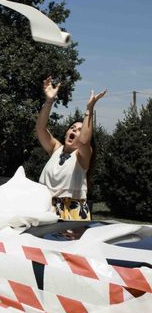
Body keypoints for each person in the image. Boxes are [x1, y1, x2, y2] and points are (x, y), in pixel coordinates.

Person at [36, 76, 106, 220]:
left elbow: (84, 142)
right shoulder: (55, 148)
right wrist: (49, 101)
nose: (73, 130)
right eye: (72, 128)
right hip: (45, 207)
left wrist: (89, 109)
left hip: (71, 211)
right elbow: (40, 128)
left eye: (79, 129)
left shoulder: (83, 156)